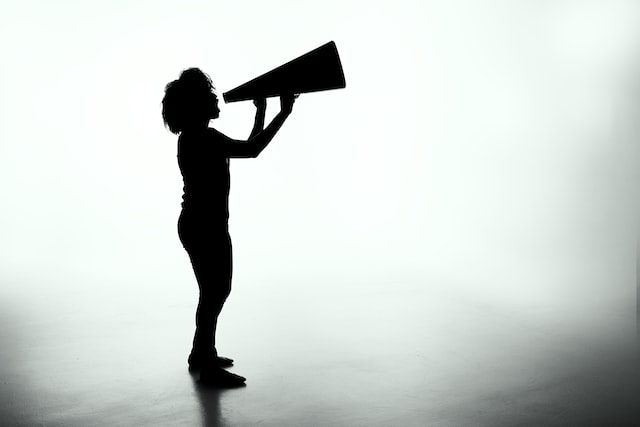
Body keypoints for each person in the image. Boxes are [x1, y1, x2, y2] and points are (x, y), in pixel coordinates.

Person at [162, 68, 295, 387]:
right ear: (198, 106)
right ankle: (205, 363)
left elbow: (248, 146)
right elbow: (252, 150)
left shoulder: (194, 137)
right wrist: (283, 113)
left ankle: (201, 353)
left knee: (213, 292)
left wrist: (262, 112)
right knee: (215, 292)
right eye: (209, 96)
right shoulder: (203, 137)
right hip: (205, 227)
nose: (216, 99)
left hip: (198, 225)